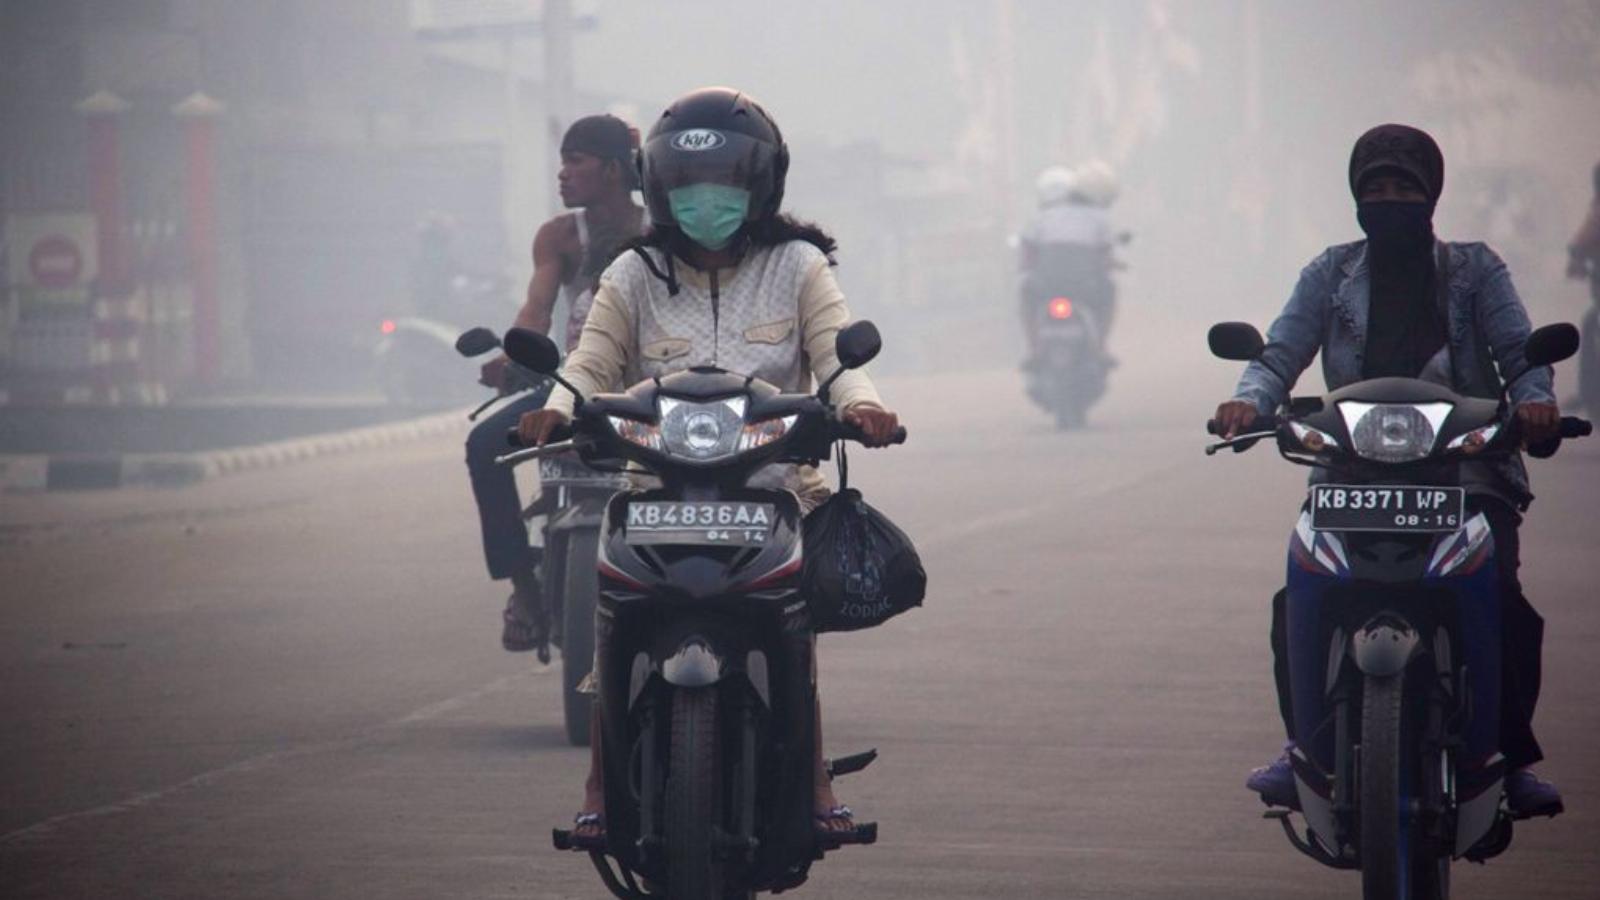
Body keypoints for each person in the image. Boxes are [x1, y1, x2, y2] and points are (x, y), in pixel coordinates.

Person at [515, 86, 902, 842]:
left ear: (760, 184)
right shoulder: (633, 272)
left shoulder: (798, 266)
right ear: (661, 187)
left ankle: (814, 775)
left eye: (724, 184)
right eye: (689, 186)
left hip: (775, 485)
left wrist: (862, 405)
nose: (706, 201)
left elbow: (835, 352)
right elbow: (591, 359)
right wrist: (558, 406)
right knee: (613, 618)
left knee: (796, 626)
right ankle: (598, 782)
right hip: (652, 484)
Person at [1212, 124, 1565, 817]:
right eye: (1375, 187)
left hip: (1465, 476)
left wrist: (1536, 405)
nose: (1389, 199)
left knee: (1503, 602)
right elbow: (1279, 353)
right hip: (1349, 476)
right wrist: (1248, 402)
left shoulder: (1476, 270)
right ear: (1355, 196)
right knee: (1299, 597)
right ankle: (1305, 753)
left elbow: (1523, 356)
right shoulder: (1328, 273)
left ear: (1431, 194)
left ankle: (1507, 760)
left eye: (1404, 187)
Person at [465, 114, 645, 655]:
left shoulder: (660, 233)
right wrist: (516, 353)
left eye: (575, 161)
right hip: (572, 384)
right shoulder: (560, 236)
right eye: (562, 160)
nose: (562, 174)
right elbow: (537, 306)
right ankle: (527, 587)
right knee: (482, 445)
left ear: (613, 170)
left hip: (646, 389)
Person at [1018, 160, 1121, 362]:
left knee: (1024, 293)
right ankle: (1101, 345)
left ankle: (1033, 348)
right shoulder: (1100, 218)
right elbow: (1106, 257)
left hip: (1046, 285)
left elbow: (1028, 252)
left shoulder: (1044, 216)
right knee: (1110, 289)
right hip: (1085, 287)